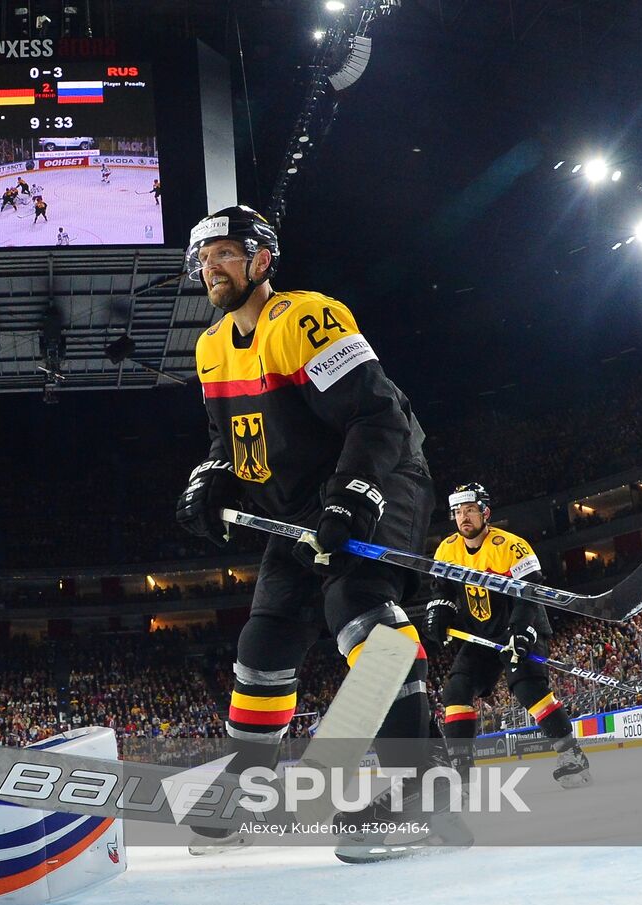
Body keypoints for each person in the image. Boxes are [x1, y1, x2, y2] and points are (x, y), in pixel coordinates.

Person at [175, 205, 459, 861]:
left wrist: (353, 495)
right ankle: (249, 786)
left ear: (261, 260)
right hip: (300, 504)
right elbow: (230, 444)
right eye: (205, 258)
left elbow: (377, 417)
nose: (212, 267)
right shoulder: (211, 348)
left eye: (225, 253)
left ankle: (420, 785)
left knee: (356, 605)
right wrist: (212, 479)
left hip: (382, 474)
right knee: (266, 635)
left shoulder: (306, 317)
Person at [424, 484, 591, 787]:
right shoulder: (447, 549)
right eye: (458, 512)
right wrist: (439, 611)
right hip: (481, 636)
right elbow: (442, 591)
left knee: (528, 688)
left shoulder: (511, 546)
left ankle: (572, 754)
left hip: (520, 626)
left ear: (485, 512)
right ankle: (462, 773)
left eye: (470, 510)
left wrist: (521, 631)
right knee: (456, 692)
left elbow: (529, 594)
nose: (464, 517)